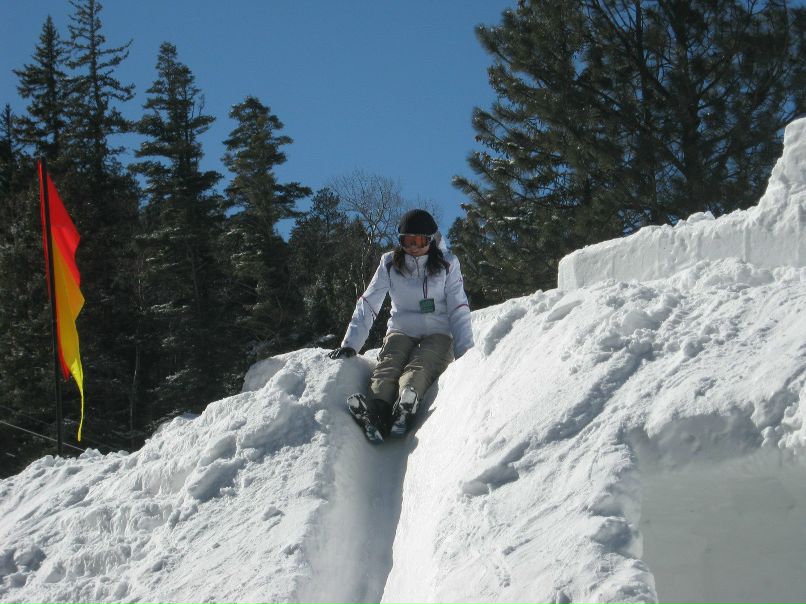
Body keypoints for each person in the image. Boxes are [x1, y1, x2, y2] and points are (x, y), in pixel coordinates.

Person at [328, 209, 474, 438]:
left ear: (430, 240)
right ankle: (378, 408)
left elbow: (458, 308)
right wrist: (350, 344)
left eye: (417, 241)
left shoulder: (448, 264)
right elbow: (369, 302)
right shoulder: (390, 263)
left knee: (421, 364)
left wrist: (466, 352)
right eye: (407, 241)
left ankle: (407, 401)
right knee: (389, 363)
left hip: (438, 331)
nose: (412, 247)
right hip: (401, 328)